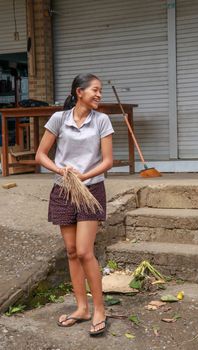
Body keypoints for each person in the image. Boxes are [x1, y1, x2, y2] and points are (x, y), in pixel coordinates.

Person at [35, 73, 114, 336]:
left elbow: (107, 161)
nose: (99, 94)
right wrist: (60, 170)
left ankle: (100, 308)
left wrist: (84, 175)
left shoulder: (101, 120)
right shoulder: (59, 118)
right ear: (79, 92)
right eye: (95, 89)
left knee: (84, 251)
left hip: (91, 190)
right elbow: (40, 155)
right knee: (70, 250)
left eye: (100, 90)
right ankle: (82, 308)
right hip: (63, 189)